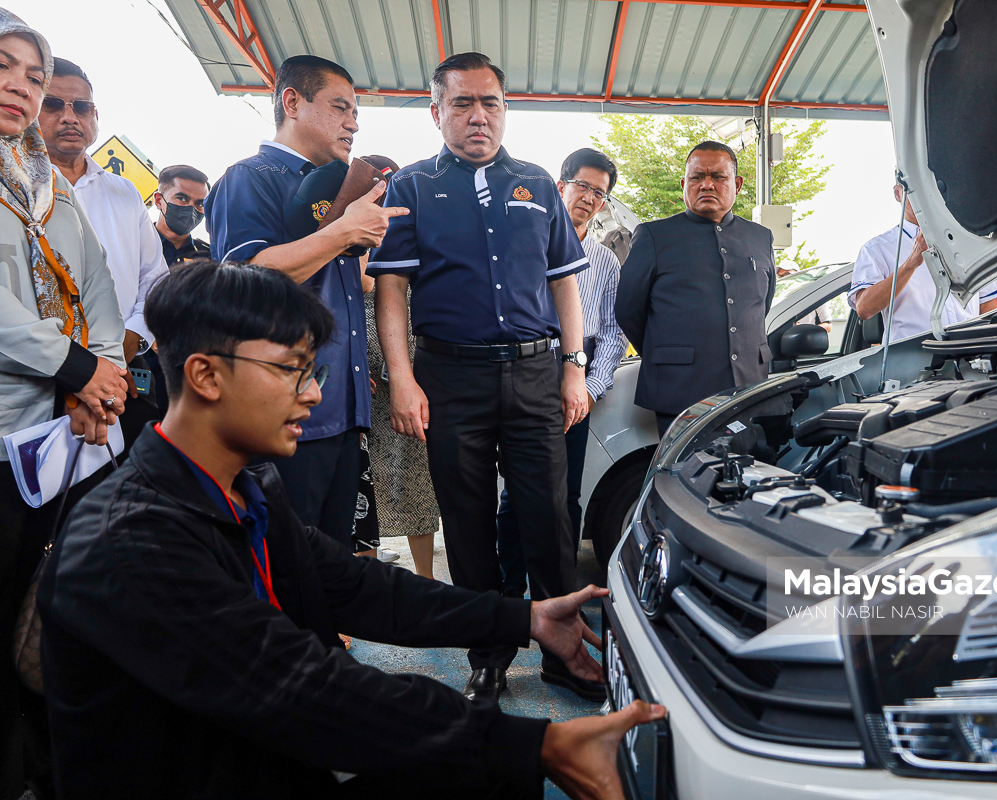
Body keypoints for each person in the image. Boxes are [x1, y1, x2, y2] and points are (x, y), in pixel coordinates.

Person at [36, 260, 665, 800]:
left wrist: (523, 620)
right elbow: (298, 688)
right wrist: (538, 743)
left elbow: (357, 587)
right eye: (291, 370)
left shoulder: (246, 491)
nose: (312, 394)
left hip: (270, 769)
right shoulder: (133, 540)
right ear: (205, 376)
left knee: (480, 772)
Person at [369, 52, 595, 703]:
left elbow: (565, 288)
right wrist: (405, 380)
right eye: (462, 103)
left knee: (548, 520)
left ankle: (565, 650)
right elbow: (391, 293)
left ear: (504, 108)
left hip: (535, 374)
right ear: (436, 111)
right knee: (466, 526)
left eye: (489, 102)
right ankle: (488, 652)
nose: (478, 116)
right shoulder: (410, 188)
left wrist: (573, 369)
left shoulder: (537, 185)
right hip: (450, 378)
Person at [0, 12, 126, 798]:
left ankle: (41, 765)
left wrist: (103, 381)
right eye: (4, 67)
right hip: (9, 425)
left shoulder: (48, 183)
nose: (19, 86)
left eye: (32, 76)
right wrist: (76, 365)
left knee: (47, 608)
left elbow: (103, 290)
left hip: (66, 436)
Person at [205, 54, 404, 551]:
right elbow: (243, 279)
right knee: (279, 566)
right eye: (340, 107)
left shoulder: (338, 187)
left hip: (342, 409)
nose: (353, 123)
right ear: (291, 102)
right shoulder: (250, 177)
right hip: (282, 414)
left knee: (330, 563)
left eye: (356, 112)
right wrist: (342, 232)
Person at [496, 147, 626, 598]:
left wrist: (589, 388)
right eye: (584, 186)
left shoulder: (606, 262)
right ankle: (509, 599)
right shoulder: (522, 246)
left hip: (576, 387)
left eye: (601, 193)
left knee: (565, 498)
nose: (590, 198)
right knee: (515, 496)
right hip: (522, 381)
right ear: (560, 186)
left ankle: (557, 599)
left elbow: (612, 334)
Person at [39, 56, 169, 442]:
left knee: (113, 492)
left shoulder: (123, 191)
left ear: (95, 116)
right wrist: (81, 371)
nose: (69, 117)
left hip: (123, 374)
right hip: (37, 380)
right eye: (52, 104)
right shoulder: (13, 189)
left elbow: (155, 280)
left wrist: (124, 346)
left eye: (81, 107)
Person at [615, 141, 776, 438]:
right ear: (683, 184)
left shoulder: (760, 237)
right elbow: (627, 310)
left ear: (737, 184)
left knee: (747, 477)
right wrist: (670, 353)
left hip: (749, 386)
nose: (706, 185)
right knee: (686, 477)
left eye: (718, 177)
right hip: (681, 390)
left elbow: (761, 305)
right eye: (696, 177)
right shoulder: (654, 236)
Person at [362, 256, 439, 578]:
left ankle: (426, 577)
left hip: (411, 398)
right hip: (364, 404)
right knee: (364, 496)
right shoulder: (345, 295)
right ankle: (368, 582)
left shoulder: (407, 287)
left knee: (417, 488)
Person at [848, 181, 995, 342]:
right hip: (912, 360)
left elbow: (987, 302)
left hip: (967, 356)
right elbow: (864, 308)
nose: (923, 196)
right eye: (914, 190)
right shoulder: (877, 249)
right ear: (898, 194)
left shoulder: (967, 241)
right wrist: (911, 263)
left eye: (929, 189)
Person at [154, 164, 211, 267]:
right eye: (182, 199)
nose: (191, 208)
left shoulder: (210, 259)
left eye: (200, 204)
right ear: (158, 200)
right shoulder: (133, 245)